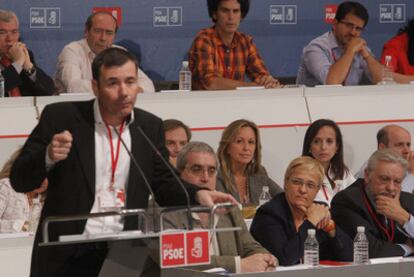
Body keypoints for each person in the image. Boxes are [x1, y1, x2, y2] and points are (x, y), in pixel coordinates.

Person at [10, 47, 235, 277]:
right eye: (112, 83)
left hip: (123, 255)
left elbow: (165, 184)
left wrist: (198, 194)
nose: (124, 92)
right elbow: (20, 180)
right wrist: (47, 156)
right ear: (95, 87)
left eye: (130, 82)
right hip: (67, 253)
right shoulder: (62, 117)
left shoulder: (148, 127)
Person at [161, 141, 277, 273]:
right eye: (196, 169)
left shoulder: (227, 207)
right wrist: (236, 264)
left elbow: (249, 246)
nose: (205, 178)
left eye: (211, 171)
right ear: (179, 173)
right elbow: (179, 259)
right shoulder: (163, 209)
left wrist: (266, 258)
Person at [250, 156, 353, 266]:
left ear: (317, 190)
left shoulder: (319, 210)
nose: (302, 190)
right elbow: (285, 259)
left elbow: (350, 256)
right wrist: (311, 221)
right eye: (297, 182)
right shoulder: (269, 214)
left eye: (310, 185)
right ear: (285, 182)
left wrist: (330, 227)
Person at [296, 1, 414, 86]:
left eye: (358, 29)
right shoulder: (316, 48)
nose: (353, 32)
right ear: (335, 23)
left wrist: (367, 56)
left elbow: (382, 79)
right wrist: (349, 52)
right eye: (349, 26)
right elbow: (331, 82)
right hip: (313, 108)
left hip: (347, 105)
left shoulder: (360, 47)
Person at [331, 149, 414, 258]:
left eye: (397, 181)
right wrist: (408, 248)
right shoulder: (347, 200)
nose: (391, 187)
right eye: (384, 179)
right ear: (367, 175)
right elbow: (368, 249)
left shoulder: (407, 200)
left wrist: (405, 219)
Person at [54, 11, 154, 94]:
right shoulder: (72, 51)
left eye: (109, 33)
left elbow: (148, 85)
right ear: (86, 31)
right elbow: (74, 87)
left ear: (114, 36)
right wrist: (116, 87)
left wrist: (116, 88)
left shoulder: (120, 52)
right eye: (97, 31)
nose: (103, 38)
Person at [189, 0, 281, 90]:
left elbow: (263, 76)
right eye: (225, 11)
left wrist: (268, 82)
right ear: (214, 14)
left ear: (241, 15)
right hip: (205, 103)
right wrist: (253, 86)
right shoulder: (204, 39)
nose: (231, 17)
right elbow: (210, 83)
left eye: (236, 11)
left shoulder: (245, 42)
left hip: (237, 103)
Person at [217, 119, 283, 206]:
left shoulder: (259, 172)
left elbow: (284, 198)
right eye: (239, 141)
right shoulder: (216, 175)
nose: (246, 148)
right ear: (227, 147)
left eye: (251, 142)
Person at [0, 9, 54, 96]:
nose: (9, 39)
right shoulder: (19, 58)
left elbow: (49, 90)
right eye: (2, 32)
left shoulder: (23, 54)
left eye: (14, 32)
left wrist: (29, 67)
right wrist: (17, 64)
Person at [302, 119, 355, 205]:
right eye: (317, 141)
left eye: (329, 141)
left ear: (337, 146)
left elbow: (358, 199)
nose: (323, 147)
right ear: (309, 146)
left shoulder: (344, 172)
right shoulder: (302, 174)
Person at [355, 124, 414, 194]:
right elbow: (396, 197)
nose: (407, 151)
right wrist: (412, 174)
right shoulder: (373, 166)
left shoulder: (404, 165)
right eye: (400, 145)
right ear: (382, 148)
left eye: (408, 145)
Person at [0, 150, 48, 233]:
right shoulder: (7, 186)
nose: (43, 180)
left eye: (47, 176)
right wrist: (22, 226)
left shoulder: (45, 197)